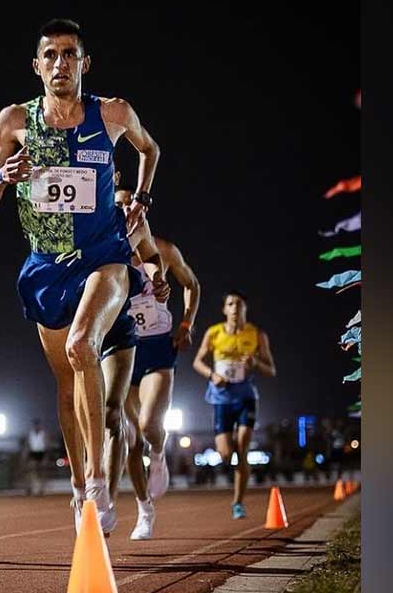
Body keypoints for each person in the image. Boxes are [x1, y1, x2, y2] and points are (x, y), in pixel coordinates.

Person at [0, 18, 160, 535]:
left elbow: (151, 149)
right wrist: (2, 176)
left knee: (83, 346)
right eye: (51, 55)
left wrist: (141, 200)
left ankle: (100, 487)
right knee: (64, 380)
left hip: (103, 255)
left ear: (85, 63)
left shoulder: (113, 113)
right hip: (44, 266)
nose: (61, 64)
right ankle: (80, 485)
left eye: (70, 54)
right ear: (37, 66)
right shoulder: (14, 121)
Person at [111, 187, 201, 539]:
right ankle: (144, 510)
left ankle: (160, 452)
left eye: (127, 204)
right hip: (122, 349)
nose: (123, 210)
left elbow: (192, 284)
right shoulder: (108, 254)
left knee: (149, 426)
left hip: (158, 349)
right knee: (131, 438)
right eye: (115, 205)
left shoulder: (162, 250)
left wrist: (186, 324)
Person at [192, 291, 276, 519]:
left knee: (242, 448)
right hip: (221, 399)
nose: (235, 307)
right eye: (230, 304)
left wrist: (256, 362)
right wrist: (212, 375)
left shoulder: (257, 334)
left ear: (245, 308)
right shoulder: (214, 333)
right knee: (226, 453)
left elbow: (271, 370)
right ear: (224, 309)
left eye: (239, 304)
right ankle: (236, 473)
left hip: (246, 397)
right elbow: (197, 362)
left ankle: (238, 502)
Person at [24, 419, 48, 495]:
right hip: (33, 453)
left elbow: (46, 444)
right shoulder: (30, 434)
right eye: (35, 425)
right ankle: (30, 488)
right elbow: (27, 445)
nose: (36, 427)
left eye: (38, 425)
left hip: (41, 453)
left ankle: (41, 489)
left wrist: (46, 456)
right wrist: (26, 455)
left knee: (41, 471)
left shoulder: (43, 434)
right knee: (32, 470)